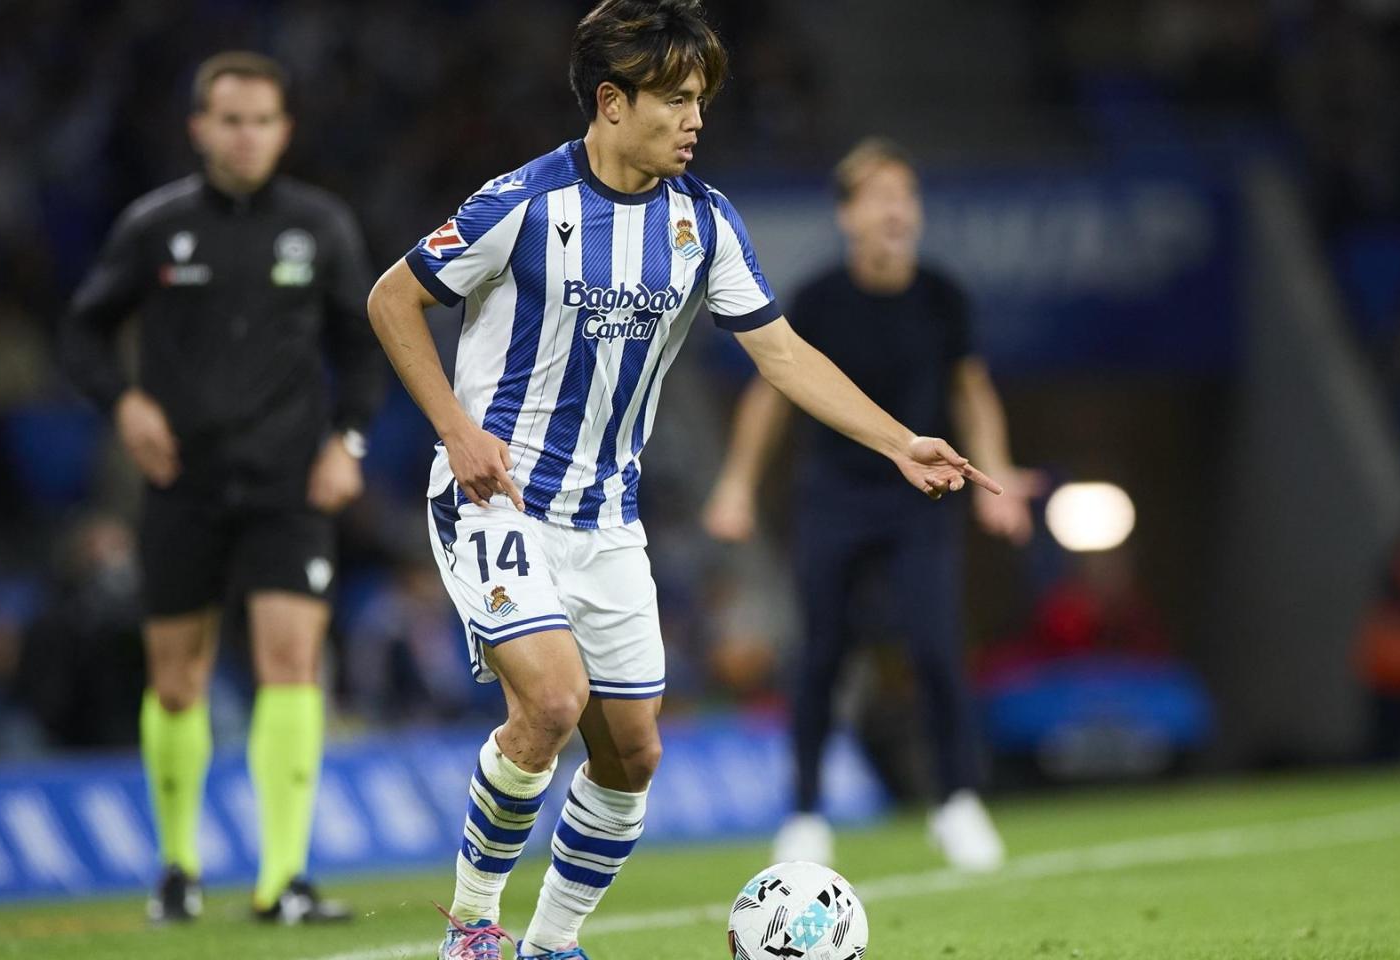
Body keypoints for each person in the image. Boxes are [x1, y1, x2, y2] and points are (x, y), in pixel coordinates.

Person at [364, 5, 1000, 958]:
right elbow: (393, 298)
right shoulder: (522, 204)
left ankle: (552, 944)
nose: (695, 119)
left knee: (634, 756)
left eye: (700, 99)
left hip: (608, 521)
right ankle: (472, 928)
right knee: (550, 701)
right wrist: (456, 431)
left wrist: (900, 442)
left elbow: (781, 354)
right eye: (674, 99)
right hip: (498, 502)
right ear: (612, 102)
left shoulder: (703, 221)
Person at [59, 51, 381, 925]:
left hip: (289, 484)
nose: (247, 136)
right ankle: (177, 869)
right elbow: (83, 332)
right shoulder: (154, 226)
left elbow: (363, 345)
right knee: (176, 681)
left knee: (291, 662)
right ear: (200, 128)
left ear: (285, 130)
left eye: (262, 121)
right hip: (183, 482)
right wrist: (124, 404)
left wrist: (348, 442)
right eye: (230, 120)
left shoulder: (321, 226)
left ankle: (284, 880)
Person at [701, 137, 1032, 872]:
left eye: (905, 197)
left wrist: (1000, 473)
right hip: (836, 496)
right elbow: (770, 394)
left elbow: (972, 391)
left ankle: (957, 803)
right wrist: (737, 484)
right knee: (821, 654)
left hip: (923, 501)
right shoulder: (819, 298)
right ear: (847, 215)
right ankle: (805, 815)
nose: (896, 211)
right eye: (879, 197)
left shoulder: (941, 296)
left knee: (936, 647)